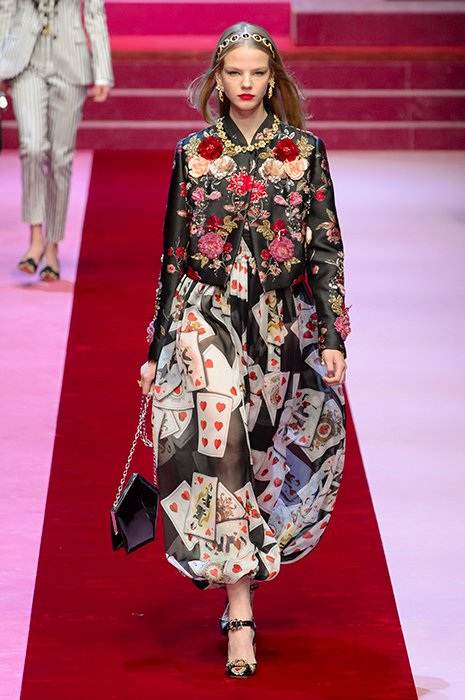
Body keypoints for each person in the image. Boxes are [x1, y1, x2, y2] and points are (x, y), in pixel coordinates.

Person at [139, 22, 351, 678]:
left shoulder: (304, 152)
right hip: (205, 316)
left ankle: (246, 572)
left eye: (257, 72)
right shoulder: (193, 153)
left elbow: (325, 246)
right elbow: (174, 253)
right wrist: (155, 346)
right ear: (218, 78)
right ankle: (239, 613)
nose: (246, 83)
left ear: (273, 77)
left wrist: (333, 334)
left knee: (263, 455)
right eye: (234, 72)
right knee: (221, 441)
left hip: (279, 321)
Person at [0, 0, 114, 280]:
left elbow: (95, 12)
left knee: (61, 158)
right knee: (32, 148)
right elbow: (5, 8)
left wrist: (103, 72)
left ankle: (52, 245)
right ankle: (35, 238)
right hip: (25, 61)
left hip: (71, 60)